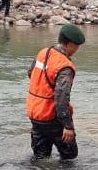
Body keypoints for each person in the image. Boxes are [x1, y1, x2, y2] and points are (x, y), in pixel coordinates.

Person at [26, 24, 85, 160]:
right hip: (51, 117)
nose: (76, 50)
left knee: (41, 156)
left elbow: (30, 73)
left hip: (34, 112)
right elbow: (61, 99)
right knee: (70, 155)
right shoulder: (65, 66)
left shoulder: (43, 52)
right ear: (70, 44)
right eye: (76, 46)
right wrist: (68, 126)